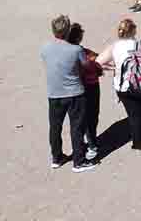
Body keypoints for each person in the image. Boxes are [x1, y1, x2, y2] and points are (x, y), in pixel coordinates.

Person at [97, 18, 141, 150]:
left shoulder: (114, 46)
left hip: (123, 86)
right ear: (133, 30)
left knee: (134, 115)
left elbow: (98, 62)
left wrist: (114, 68)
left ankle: (138, 142)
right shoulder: (140, 44)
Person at [39, 14, 93, 172]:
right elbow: (87, 66)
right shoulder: (75, 50)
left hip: (54, 93)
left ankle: (57, 157)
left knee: (55, 127)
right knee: (77, 127)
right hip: (75, 93)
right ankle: (79, 161)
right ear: (68, 30)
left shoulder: (45, 48)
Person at [66, 23, 102, 161]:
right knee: (91, 117)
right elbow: (95, 67)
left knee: (79, 119)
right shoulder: (82, 52)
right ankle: (92, 145)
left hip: (73, 89)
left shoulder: (67, 51)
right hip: (89, 88)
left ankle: (83, 145)